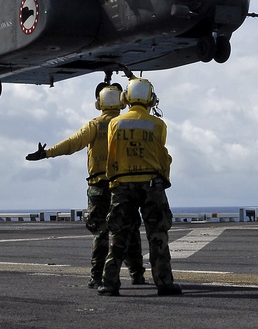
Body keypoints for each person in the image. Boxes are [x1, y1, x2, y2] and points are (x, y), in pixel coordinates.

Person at [26, 85, 146, 289]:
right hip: (124, 186)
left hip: (99, 186)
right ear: (122, 101)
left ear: (99, 103)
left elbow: (73, 143)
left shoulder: (95, 125)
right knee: (129, 229)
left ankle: (97, 276)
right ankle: (136, 274)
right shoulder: (127, 125)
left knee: (100, 232)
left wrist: (47, 153)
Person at [98, 78, 182, 297]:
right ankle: (164, 283)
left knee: (118, 235)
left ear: (125, 98)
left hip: (122, 185)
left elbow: (111, 155)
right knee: (158, 235)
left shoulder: (115, 123)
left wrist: (113, 181)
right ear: (151, 99)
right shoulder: (158, 125)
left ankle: (109, 283)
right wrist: (164, 179)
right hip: (152, 185)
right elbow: (162, 157)